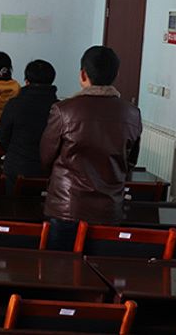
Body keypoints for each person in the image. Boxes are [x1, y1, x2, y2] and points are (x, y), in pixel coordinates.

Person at [40, 46, 142, 251]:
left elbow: (46, 157)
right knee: (98, 267)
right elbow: (130, 161)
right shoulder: (132, 113)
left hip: (66, 206)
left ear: (83, 74)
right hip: (109, 209)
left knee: (57, 267)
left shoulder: (63, 110)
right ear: (116, 75)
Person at [0, 59, 58, 192]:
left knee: (11, 202)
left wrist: (15, 151)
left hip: (16, 168)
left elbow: (2, 136)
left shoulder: (14, 104)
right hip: (48, 171)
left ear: (26, 81)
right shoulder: (59, 108)